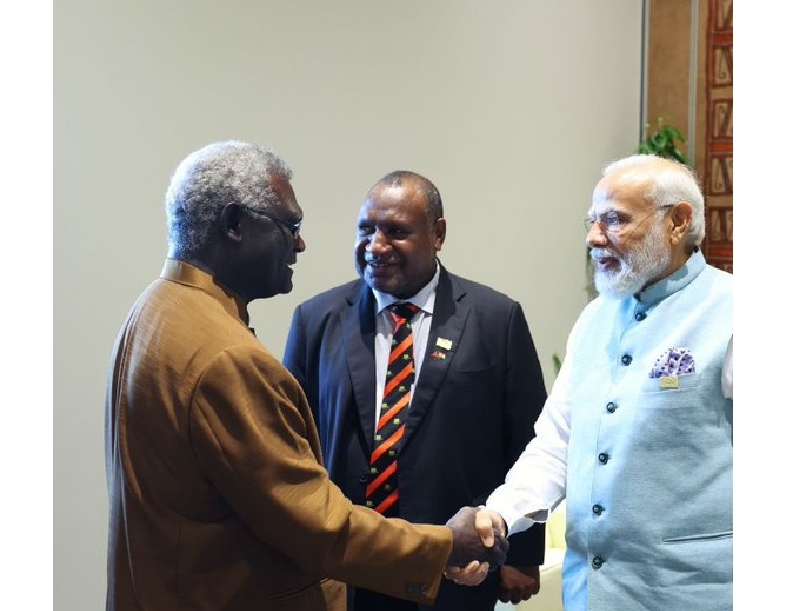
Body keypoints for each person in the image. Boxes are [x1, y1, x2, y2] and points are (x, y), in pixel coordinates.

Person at [104, 141, 509, 611]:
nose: (300, 244)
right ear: (235, 225)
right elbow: (317, 524)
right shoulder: (229, 356)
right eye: (289, 226)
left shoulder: (155, 309)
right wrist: (443, 545)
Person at [452, 154, 734, 611]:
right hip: (592, 593)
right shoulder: (594, 320)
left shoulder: (733, 310)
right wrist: (499, 516)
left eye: (615, 220)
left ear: (679, 221)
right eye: (592, 221)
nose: (593, 236)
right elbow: (557, 443)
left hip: (697, 591)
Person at [282, 170, 549, 611]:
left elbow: (526, 438)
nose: (376, 246)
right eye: (366, 229)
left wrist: (520, 555)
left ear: (438, 234)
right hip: (347, 563)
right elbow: (293, 443)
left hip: (456, 565)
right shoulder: (316, 319)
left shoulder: (495, 319)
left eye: (396, 231)